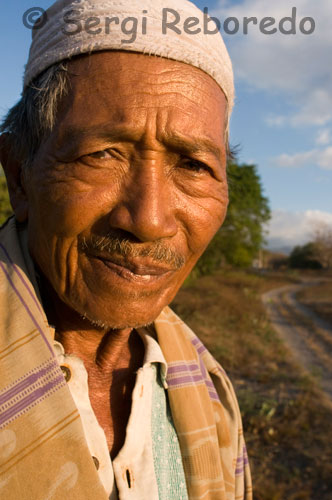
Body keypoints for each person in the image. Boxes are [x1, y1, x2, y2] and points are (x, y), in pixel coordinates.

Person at [0, 1, 252, 499]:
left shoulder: (210, 390)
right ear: (19, 176)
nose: (149, 220)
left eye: (194, 166)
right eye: (101, 154)